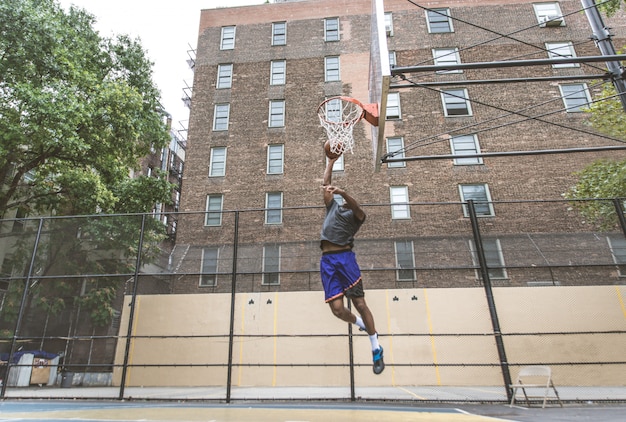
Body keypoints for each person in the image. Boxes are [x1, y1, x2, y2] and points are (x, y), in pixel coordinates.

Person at [319, 155, 384, 375]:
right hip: (327, 262)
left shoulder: (356, 217)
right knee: (337, 310)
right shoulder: (332, 209)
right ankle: (361, 324)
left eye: (348, 201)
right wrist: (330, 161)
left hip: (345, 260)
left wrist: (344, 193)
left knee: (360, 303)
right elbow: (326, 185)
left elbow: (358, 209)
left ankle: (376, 347)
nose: (345, 202)